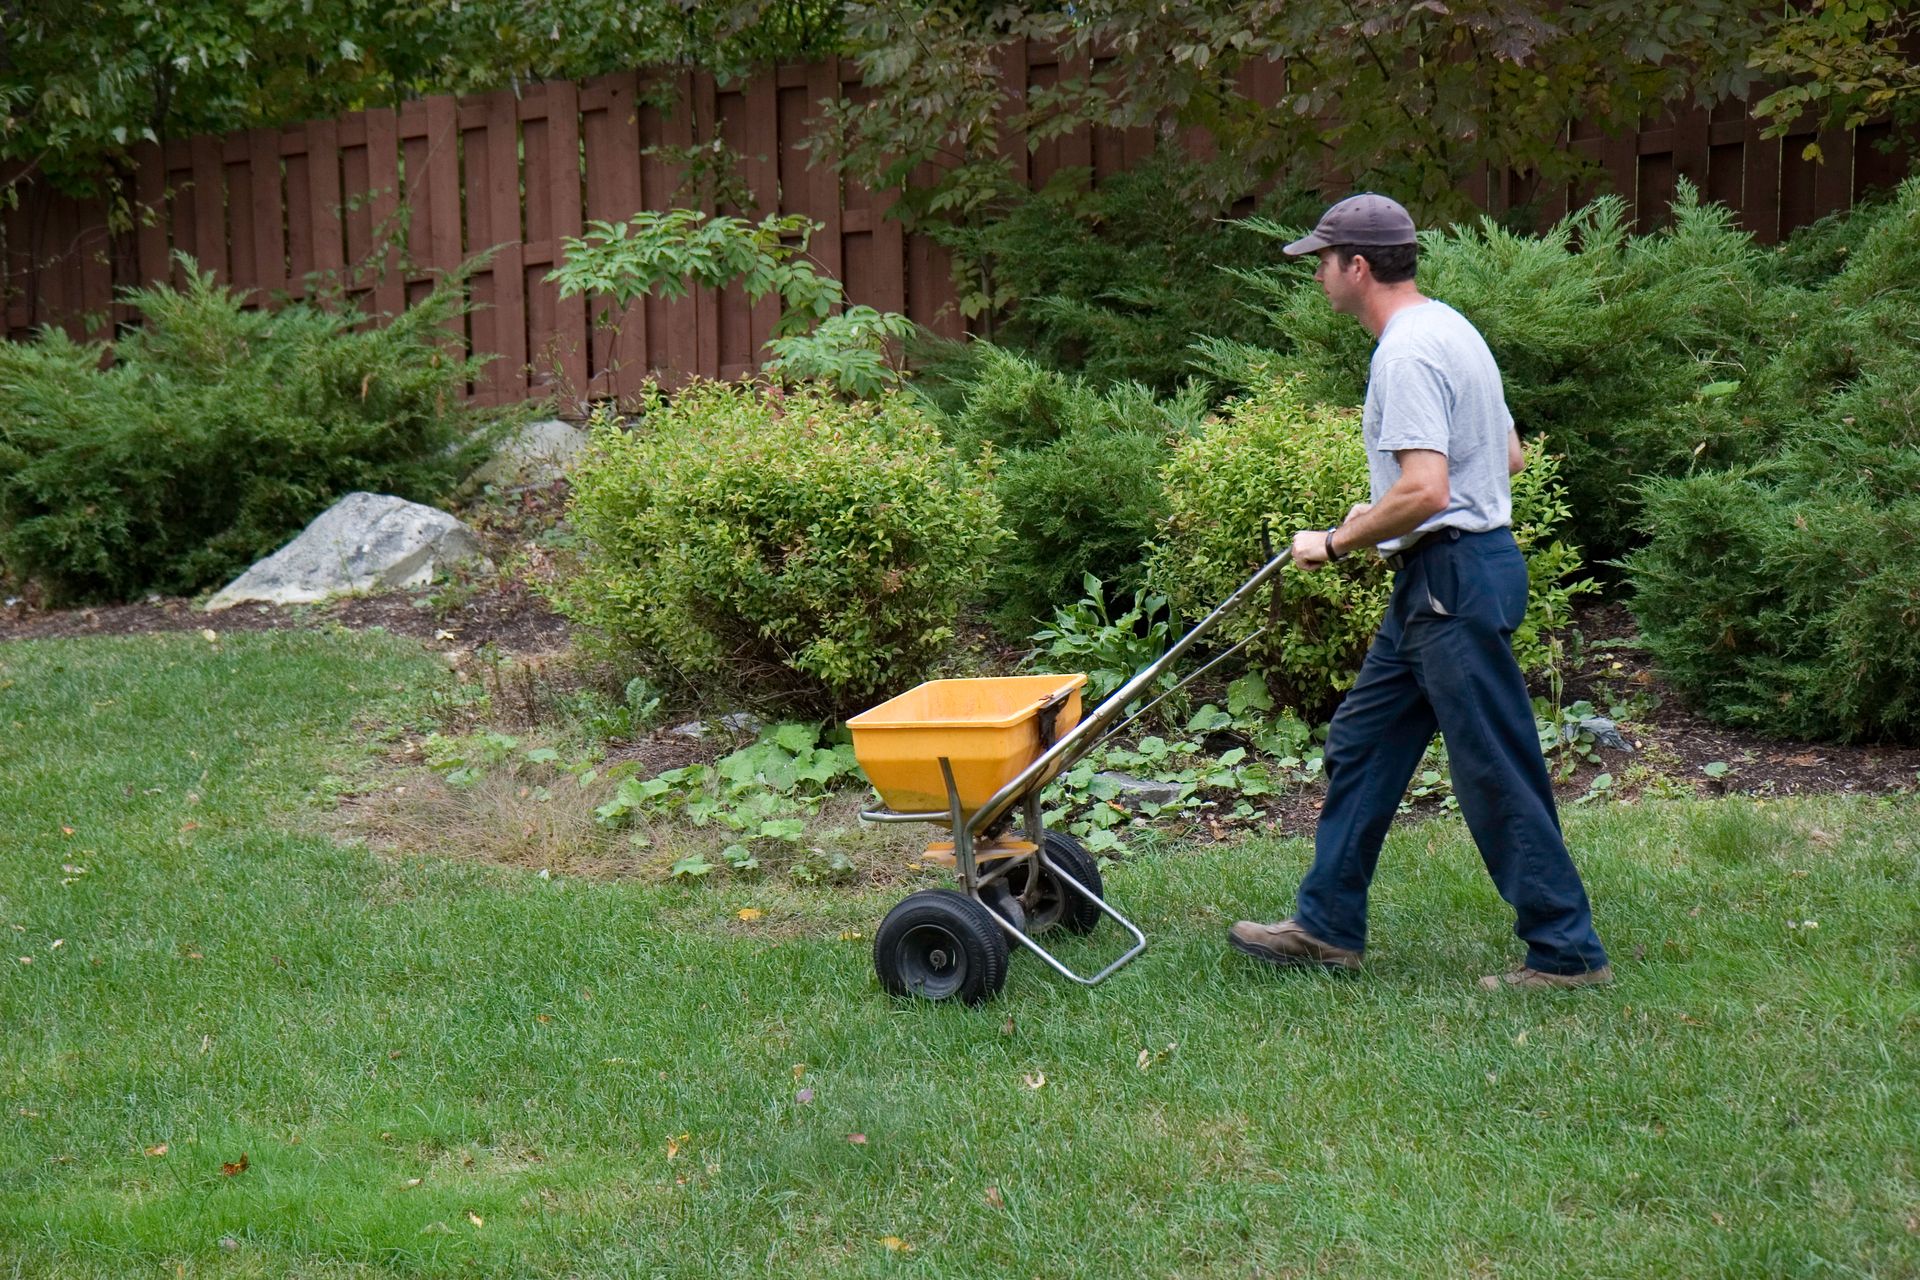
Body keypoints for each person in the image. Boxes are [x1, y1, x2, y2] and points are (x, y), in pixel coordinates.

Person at [1227, 193, 1612, 990]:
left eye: (1322, 263)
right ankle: (1327, 926)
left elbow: (1429, 489)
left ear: (1357, 267)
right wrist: (1389, 518)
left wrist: (1338, 540)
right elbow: (1504, 455)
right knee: (1364, 742)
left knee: (1494, 770)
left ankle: (1567, 952)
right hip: (1450, 576)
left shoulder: (1403, 352)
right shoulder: (1452, 328)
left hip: (1452, 582)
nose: (1318, 277)